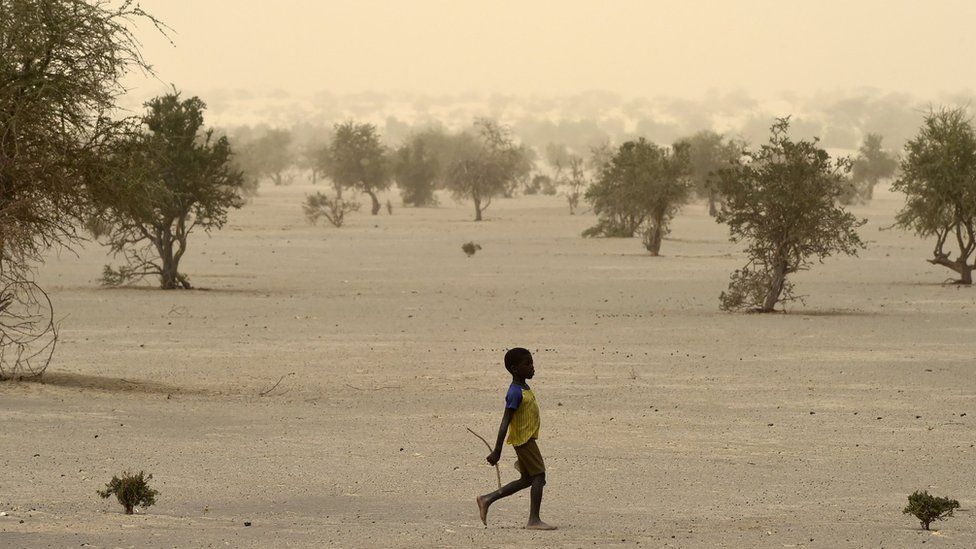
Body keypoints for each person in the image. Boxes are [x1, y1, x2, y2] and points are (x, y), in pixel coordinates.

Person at [475, 347, 556, 530]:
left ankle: (487, 499)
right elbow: (505, 422)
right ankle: (533, 520)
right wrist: (497, 451)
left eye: (532, 363)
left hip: (527, 439)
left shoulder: (524, 387)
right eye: (527, 364)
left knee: (527, 479)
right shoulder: (514, 392)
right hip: (524, 441)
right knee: (539, 476)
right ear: (514, 369)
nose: (532, 367)